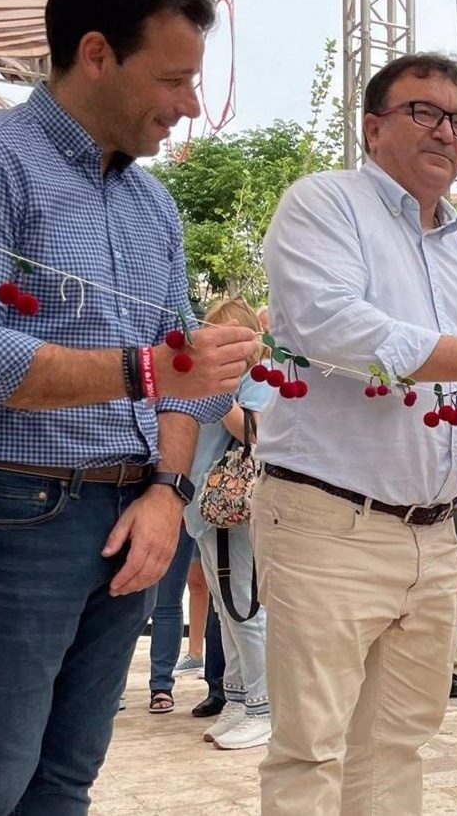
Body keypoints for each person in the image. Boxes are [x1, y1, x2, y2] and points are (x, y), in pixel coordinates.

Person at [0, 0, 258, 814]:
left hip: (131, 512)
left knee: (65, 780)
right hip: (12, 514)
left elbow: (180, 383)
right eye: (174, 79)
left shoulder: (152, 205)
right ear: (96, 53)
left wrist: (170, 490)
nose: (190, 106)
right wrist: (147, 367)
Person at [254, 51, 457, 815]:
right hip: (327, 521)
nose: (446, 131)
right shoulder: (322, 205)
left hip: (434, 534)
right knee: (311, 749)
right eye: (424, 112)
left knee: (398, 743)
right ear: (373, 127)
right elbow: (330, 323)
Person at [185, 298, 275, 750]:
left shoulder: (257, 376)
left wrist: (219, 395)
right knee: (226, 611)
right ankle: (240, 698)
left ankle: (264, 707)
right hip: (202, 504)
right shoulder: (201, 377)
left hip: (232, 506)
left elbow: (256, 433)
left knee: (245, 608)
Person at [146, 526, 198, 713]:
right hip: (121, 506)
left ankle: (161, 684)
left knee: (167, 603)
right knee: (116, 602)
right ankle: (111, 684)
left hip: (175, 510)